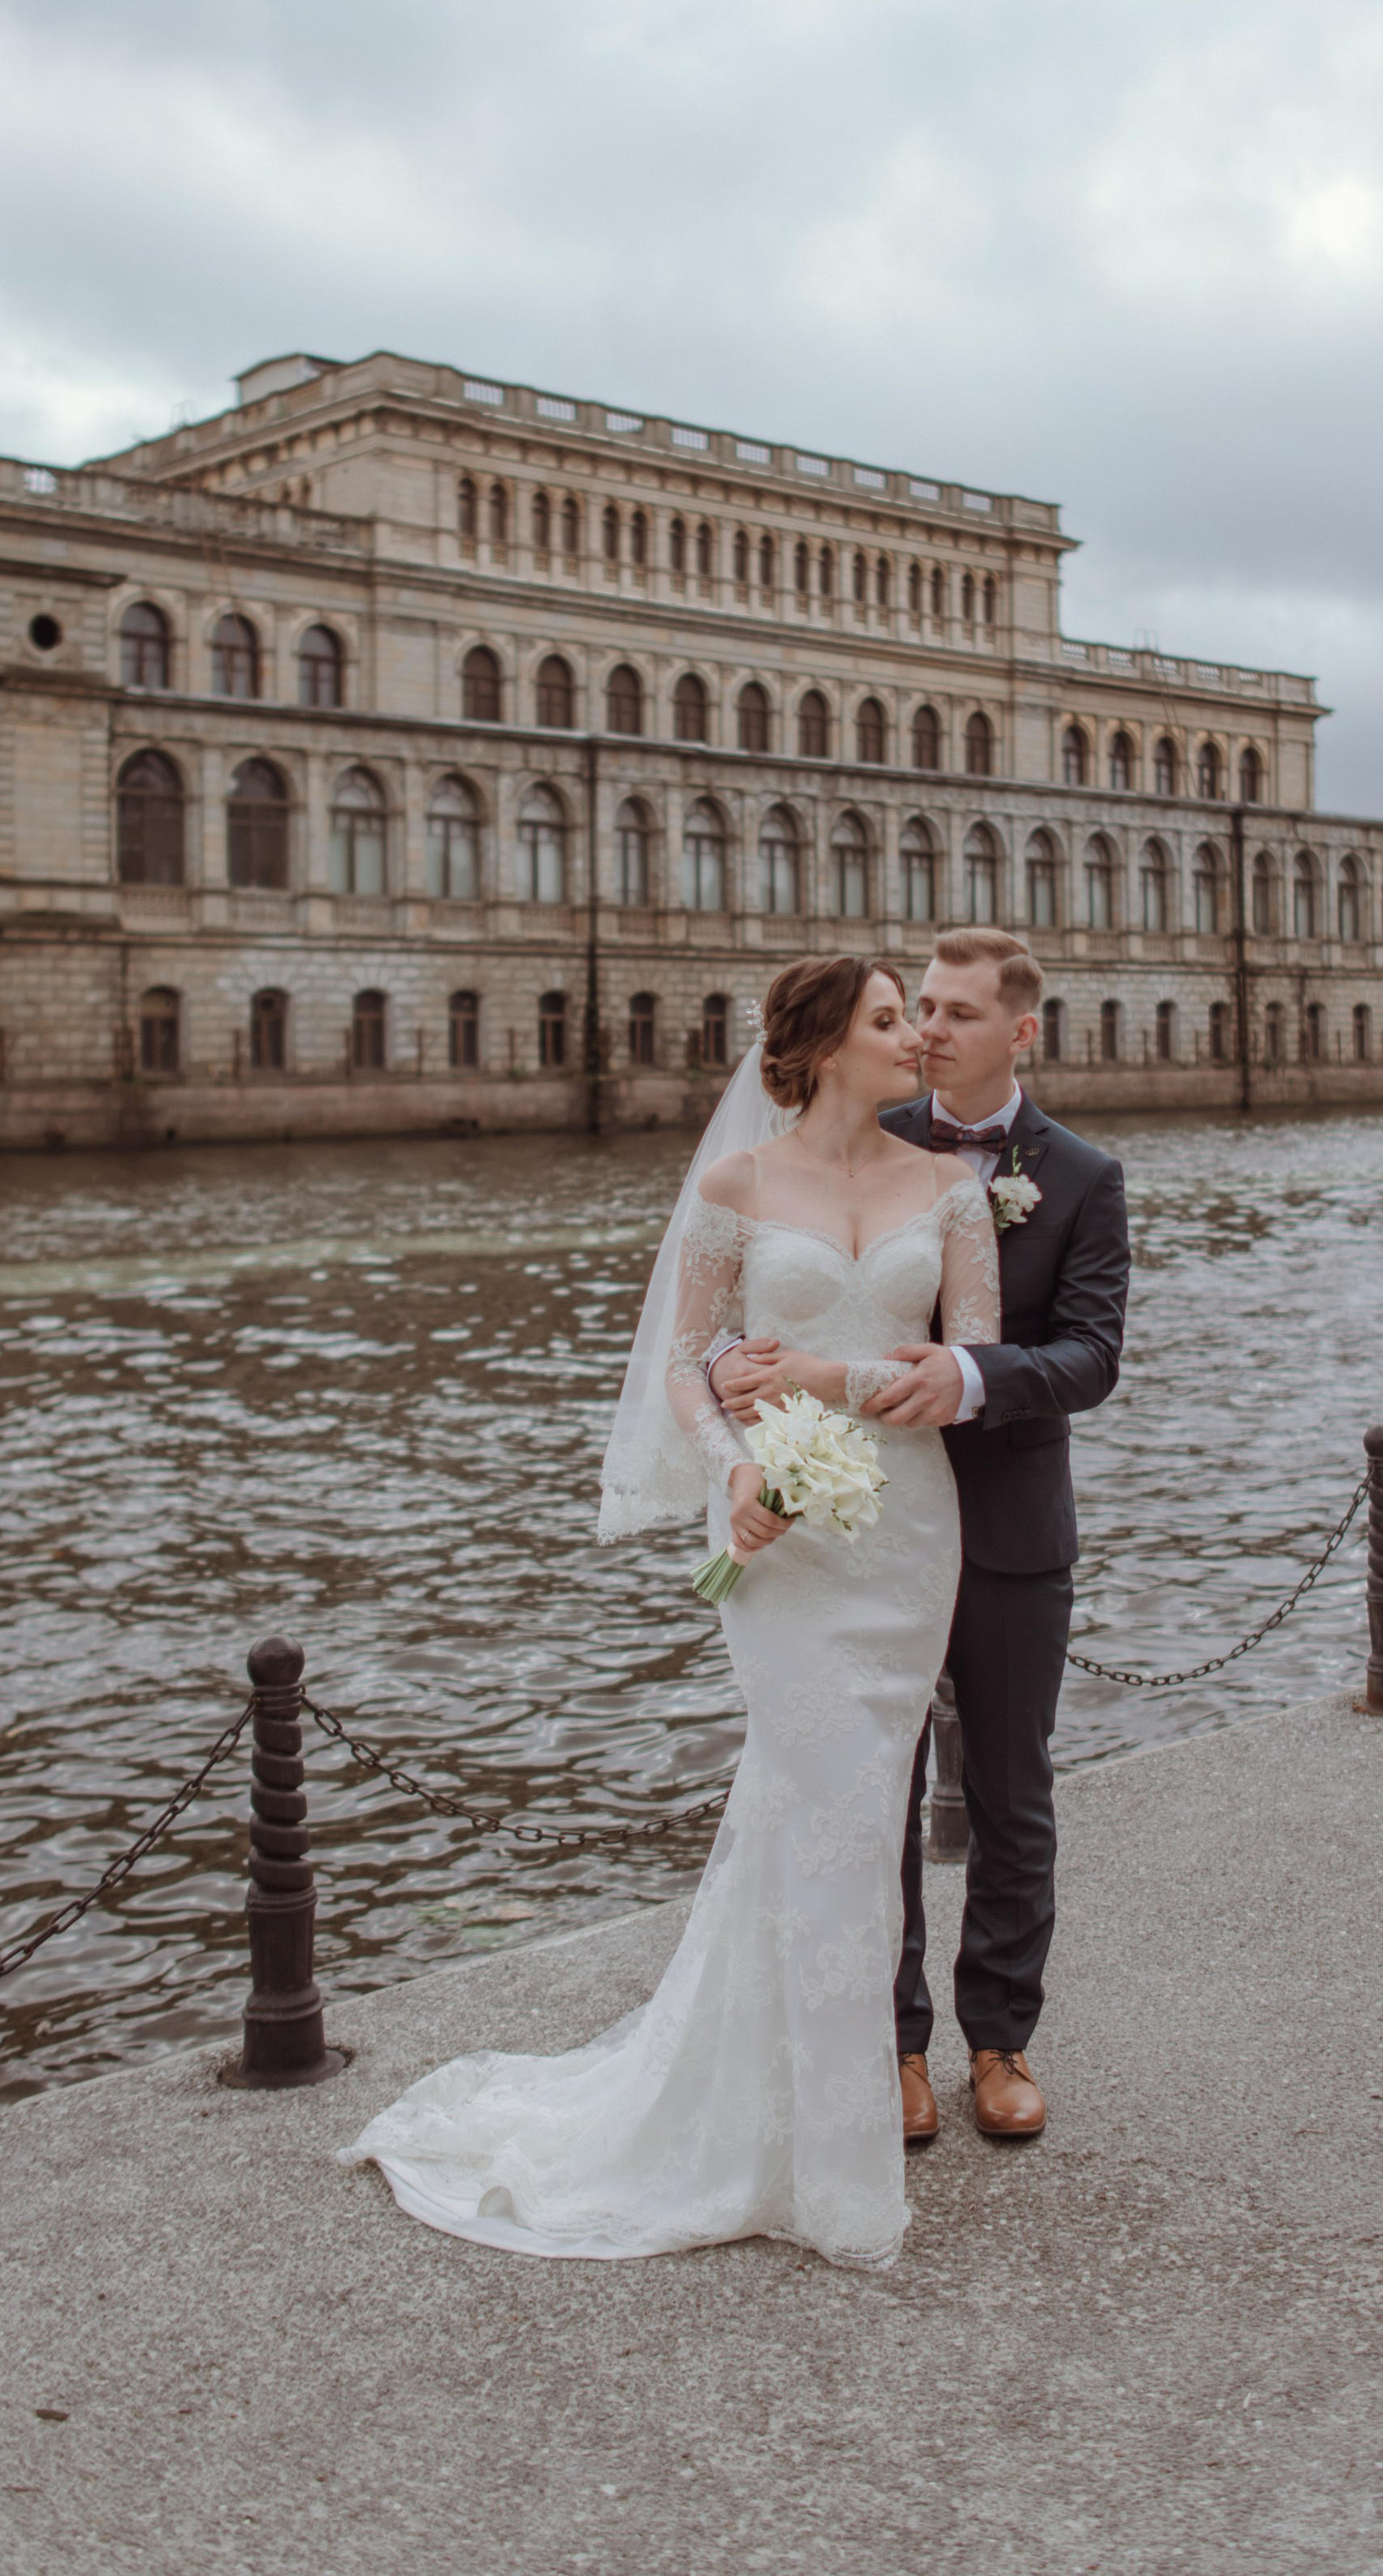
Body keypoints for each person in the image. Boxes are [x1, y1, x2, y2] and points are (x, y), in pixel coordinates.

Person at [340, 956, 999, 2270]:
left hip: (908, 1533)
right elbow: (687, 1368)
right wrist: (741, 1468)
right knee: (826, 1814)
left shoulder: (956, 1190)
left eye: (913, 1020)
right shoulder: (735, 1188)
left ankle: (794, 2125)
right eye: (886, 1021)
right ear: (817, 1048)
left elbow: (960, 1363)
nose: (915, 1038)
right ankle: (835, 2167)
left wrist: (831, 1374)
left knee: (852, 1823)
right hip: (777, 1539)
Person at [720, 930, 1127, 2142]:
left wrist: (969, 1375)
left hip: (1004, 1520)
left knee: (1010, 1792)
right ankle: (892, 2044)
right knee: (869, 1791)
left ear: (1021, 1031)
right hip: (855, 1524)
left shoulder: (1084, 1177)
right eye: (919, 1011)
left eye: (955, 1013)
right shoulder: (864, 1144)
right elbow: (760, 1304)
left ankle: (1000, 2043)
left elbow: (1092, 1356)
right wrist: (736, 1394)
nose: (931, 1031)